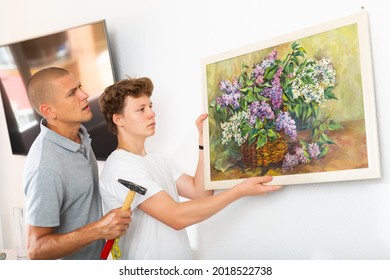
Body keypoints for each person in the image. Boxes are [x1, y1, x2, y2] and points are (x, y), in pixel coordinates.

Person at [98, 77, 282, 260]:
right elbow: (175, 216)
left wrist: (203, 142)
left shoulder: (156, 159)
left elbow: (200, 192)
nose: (152, 113)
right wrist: (239, 191)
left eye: (150, 106)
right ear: (118, 119)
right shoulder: (121, 166)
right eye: (141, 109)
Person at [23, 67, 131, 260]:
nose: (85, 95)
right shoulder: (45, 167)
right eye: (72, 93)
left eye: (79, 87)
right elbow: (35, 249)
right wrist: (99, 229)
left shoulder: (79, 135)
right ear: (48, 110)